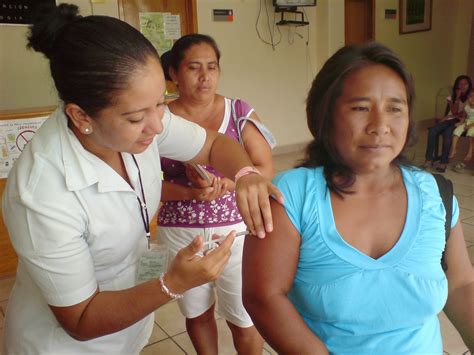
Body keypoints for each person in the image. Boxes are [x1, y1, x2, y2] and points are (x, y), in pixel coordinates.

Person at [2, 5, 282, 354]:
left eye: (160, 105)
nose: (157, 126)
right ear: (80, 115)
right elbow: (81, 319)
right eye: (136, 117)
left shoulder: (139, 124)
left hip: (128, 326)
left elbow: (213, 144)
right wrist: (173, 284)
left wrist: (245, 173)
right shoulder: (42, 193)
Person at [242, 42, 474, 354]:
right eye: (361, 108)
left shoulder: (436, 193)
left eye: (395, 108)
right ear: (326, 114)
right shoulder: (291, 195)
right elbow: (264, 296)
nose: (380, 127)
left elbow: (461, 285)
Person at [157, 34, 274, 354]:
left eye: (212, 67)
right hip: (180, 233)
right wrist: (187, 192)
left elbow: (264, 167)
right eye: (194, 68)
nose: (205, 76)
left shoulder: (238, 112)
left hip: (237, 233)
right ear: (174, 74)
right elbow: (146, 184)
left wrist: (232, 183)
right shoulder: (158, 120)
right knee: (196, 312)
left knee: (245, 316)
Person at [424, 75, 472, 172]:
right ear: (457, 85)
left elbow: (464, 114)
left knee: (447, 134)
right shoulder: (452, 97)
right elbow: (454, 112)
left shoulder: (471, 97)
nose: (462, 86)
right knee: (433, 131)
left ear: (469, 85)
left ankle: (443, 162)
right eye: (460, 84)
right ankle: (429, 159)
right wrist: (457, 98)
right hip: (450, 119)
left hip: (460, 121)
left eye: (465, 84)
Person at [450, 88, 474, 169]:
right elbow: (464, 116)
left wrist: (470, 126)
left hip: (473, 124)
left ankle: (470, 152)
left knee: (470, 134)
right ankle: (453, 150)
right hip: (467, 122)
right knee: (456, 131)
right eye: (470, 96)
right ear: (468, 97)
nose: (472, 98)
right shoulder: (466, 106)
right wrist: (460, 123)